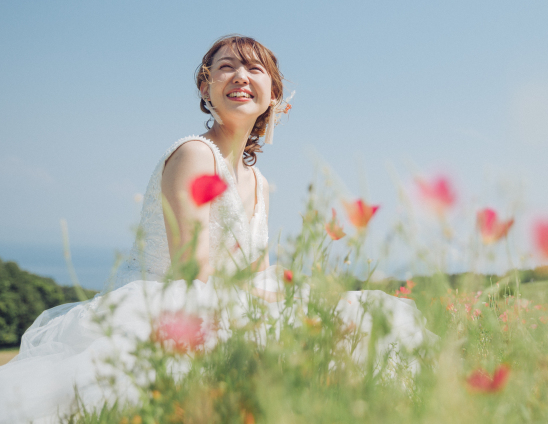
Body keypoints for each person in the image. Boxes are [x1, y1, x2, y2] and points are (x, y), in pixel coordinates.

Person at [0, 35, 432, 424]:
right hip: (174, 307)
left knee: (366, 317)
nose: (240, 76)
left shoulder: (260, 184)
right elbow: (193, 271)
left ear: (274, 95)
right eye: (226, 67)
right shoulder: (193, 154)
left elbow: (260, 271)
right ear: (206, 89)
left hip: (234, 303)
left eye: (254, 69)